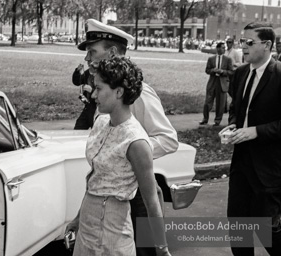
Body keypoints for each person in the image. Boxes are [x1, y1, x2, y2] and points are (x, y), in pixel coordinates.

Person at [67, 19, 179, 256]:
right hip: (97, 205)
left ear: (113, 52)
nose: (87, 59)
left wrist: (131, 155)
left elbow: (168, 139)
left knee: (141, 249)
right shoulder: (102, 93)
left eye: (92, 51)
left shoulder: (139, 93)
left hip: (133, 192)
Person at [219, 22, 281, 255]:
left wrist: (255, 131)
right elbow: (237, 107)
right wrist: (233, 124)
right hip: (240, 166)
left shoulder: (279, 74)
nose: (242, 47)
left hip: (269, 170)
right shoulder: (241, 73)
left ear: (267, 45)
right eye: (241, 42)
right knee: (238, 229)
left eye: (249, 42)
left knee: (269, 234)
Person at [200, 42, 233, 126]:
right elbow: (207, 70)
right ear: (217, 49)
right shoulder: (211, 59)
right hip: (213, 82)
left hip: (222, 83)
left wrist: (222, 71)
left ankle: (217, 121)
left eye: (224, 48)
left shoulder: (228, 59)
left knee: (220, 103)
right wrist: (213, 70)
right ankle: (205, 119)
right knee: (208, 101)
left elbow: (231, 71)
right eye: (222, 48)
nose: (224, 49)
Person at [72, 64, 97, 129]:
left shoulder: (102, 76)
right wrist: (77, 72)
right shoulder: (88, 73)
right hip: (88, 106)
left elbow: (104, 92)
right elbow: (77, 82)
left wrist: (92, 90)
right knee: (79, 127)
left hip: (97, 108)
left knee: (95, 128)